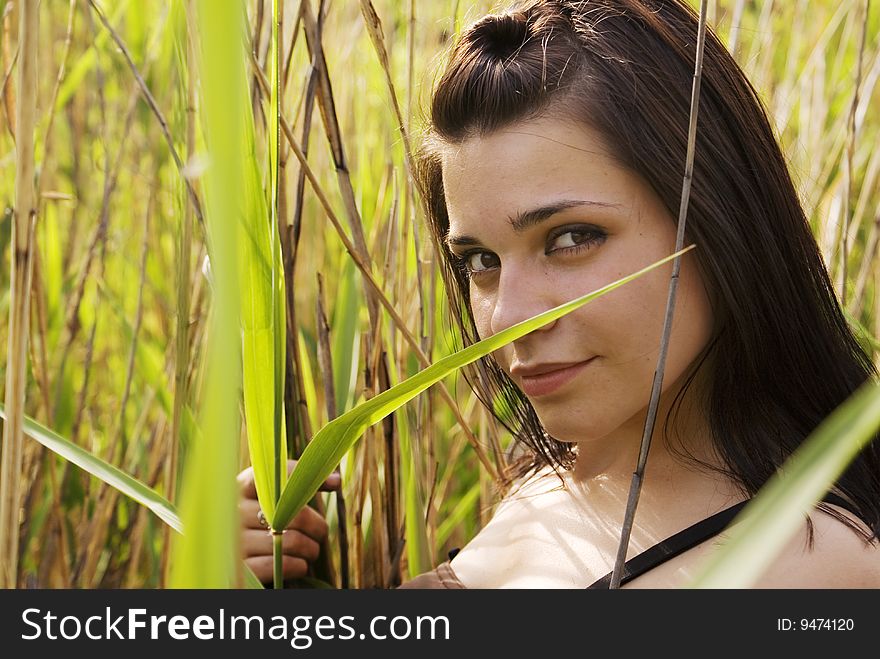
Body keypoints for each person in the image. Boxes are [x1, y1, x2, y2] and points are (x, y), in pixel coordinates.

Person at [239, 0, 880, 588]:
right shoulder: (546, 477)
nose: (508, 318)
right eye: (480, 260)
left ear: (719, 221)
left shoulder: (804, 563)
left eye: (571, 238)